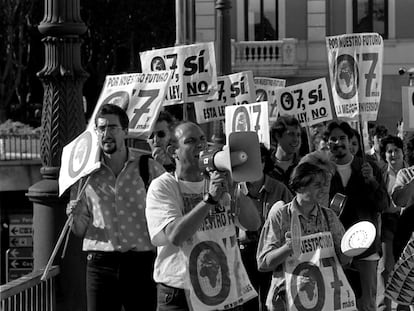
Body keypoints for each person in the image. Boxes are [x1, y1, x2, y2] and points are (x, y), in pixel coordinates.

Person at [145, 122, 262, 311]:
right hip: (181, 293)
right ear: (173, 150)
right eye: (190, 141)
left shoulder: (218, 181)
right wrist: (210, 200)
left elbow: (253, 223)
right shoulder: (162, 187)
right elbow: (175, 235)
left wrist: (234, 188)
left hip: (223, 289)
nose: (200, 145)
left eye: (202, 139)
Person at [66, 104, 164, 311]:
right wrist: (75, 216)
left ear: (125, 132)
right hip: (100, 264)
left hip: (140, 262)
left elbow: (168, 213)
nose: (106, 134)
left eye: (112, 127)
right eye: (101, 128)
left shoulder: (148, 168)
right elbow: (79, 230)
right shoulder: (85, 176)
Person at [256, 162, 350, 311]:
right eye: (317, 185)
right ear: (300, 187)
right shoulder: (280, 216)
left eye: (323, 184)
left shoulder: (329, 216)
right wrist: (288, 247)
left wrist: (352, 249)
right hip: (287, 301)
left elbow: (344, 260)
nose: (323, 189)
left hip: (325, 302)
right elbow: (263, 263)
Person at [326, 121, 389, 311]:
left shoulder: (368, 168)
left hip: (365, 247)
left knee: (366, 305)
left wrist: (371, 182)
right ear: (327, 143)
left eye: (342, 138)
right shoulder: (323, 171)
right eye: (333, 139)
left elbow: (383, 205)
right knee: (339, 304)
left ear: (350, 140)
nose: (338, 143)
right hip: (334, 249)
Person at [239, 143, 293, 311]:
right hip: (244, 255)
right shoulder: (235, 190)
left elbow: (292, 218)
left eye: (257, 161)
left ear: (263, 162)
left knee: (272, 302)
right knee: (248, 303)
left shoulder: (280, 189)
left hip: (272, 254)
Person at [377, 135, 405, 311]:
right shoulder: (381, 175)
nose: (393, 154)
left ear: (403, 153)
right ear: (384, 155)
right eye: (389, 151)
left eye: (396, 150)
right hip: (387, 224)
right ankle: (383, 306)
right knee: (386, 266)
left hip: (407, 224)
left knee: (405, 267)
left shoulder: (410, 172)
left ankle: (403, 305)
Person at [268, 115, 302, 190]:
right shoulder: (266, 166)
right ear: (277, 136)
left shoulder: (303, 166)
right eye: (291, 134)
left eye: (298, 135)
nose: (296, 139)